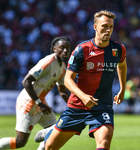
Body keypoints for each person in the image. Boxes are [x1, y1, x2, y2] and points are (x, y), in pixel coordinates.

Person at [43, 10, 127, 150]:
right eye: (104, 26)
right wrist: (82, 96)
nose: (108, 30)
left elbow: (122, 65)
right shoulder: (82, 49)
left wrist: (122, 89)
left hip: (102, 107)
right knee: (50, 147)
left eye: (111, 27)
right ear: (95, 27)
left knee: (104, 143)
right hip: (77, 107)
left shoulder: (118, 49)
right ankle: (49, 133)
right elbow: (68, 80)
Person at [0, 36, 71, 150]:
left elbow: (63, 91)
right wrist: (39, 103)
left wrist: (73, 104)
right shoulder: (48, 61)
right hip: (28, 103)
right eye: (62, 48)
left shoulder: (63, 68)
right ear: (54, 49)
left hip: (41, 103)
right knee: (20, 141)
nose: (65, 51)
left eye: (67, 48)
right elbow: (26, 81)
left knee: (55, 133)